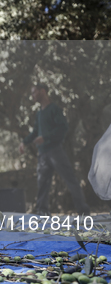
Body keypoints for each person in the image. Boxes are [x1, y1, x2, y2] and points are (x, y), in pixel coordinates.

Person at [19, 84, 90, 216]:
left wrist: (45, 137)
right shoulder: (39, 113)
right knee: (42, 184)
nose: (32, 95)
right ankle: (42, 212)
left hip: (55, 152)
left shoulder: (54, 109)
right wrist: (24, 142)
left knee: (71, 179)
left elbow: (63, 128)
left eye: (34, 92)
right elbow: (35, 132)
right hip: (42, 155)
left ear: (43, 91)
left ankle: (83, 211)